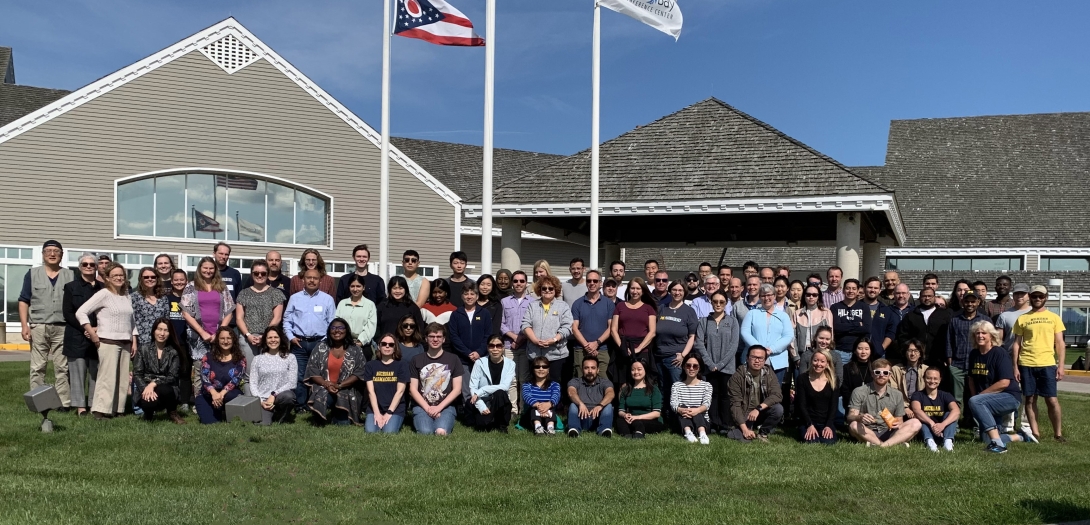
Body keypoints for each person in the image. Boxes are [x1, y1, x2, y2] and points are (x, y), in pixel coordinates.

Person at [20, 239, 73, 410]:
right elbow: (23, 301)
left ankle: (63, 403)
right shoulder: (32, 274)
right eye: (48, 251)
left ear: (61, 255)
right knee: (37, 367)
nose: (52, 254)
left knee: (62, 368)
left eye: (56, 251)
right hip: (39, 325)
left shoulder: (70, 275)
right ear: (43, 254)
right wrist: (24, 326)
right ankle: (38, 402)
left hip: (63, 327)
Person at [75, 262, 133, 420]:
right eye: (115, 275)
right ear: (107, 278)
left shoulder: (126, 295)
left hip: (125, 342)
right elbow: (81, 312)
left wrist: (134, 339)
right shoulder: (103, 294)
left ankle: (118, 409)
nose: (119, 278)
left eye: (121, 275)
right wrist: (92, 333)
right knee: (107, 377)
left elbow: (131, 320)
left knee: (122, 379)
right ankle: (100, 410)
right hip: (108, 341)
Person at [1011, 285, 1066, 443]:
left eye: (1040, 296)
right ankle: (1035, 433)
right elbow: (1016, 344)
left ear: (1046, 297)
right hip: (1026, 363)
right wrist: (1015, 366)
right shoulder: (1022, 318)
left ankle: (1058, 433)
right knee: (1029, 399)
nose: (1037, 299)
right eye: (1034, 296)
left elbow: (1060, 343)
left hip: (1047, 363)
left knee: (1052, 399)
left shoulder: (1054, 317)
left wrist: (1061, 365)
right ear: (1030, 297)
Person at [968, 321, 1031, 453]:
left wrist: (978, 398)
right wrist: (976, 397)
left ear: (991, 336)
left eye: (984, 333)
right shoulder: (974, 354)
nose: (980, 336)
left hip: (1009, 397)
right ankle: (1020, 436)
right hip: (987, 400)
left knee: (975, 401)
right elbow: (971, 378)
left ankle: (998, 445)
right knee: (986, 438)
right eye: (977, 333)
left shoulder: (999, 353)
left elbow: (1004, 382)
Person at [283, 268, 336, 411]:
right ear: (303, 280)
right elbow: (287, 320)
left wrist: (325, 341)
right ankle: (301, 405)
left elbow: (332, 323)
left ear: (320, 280)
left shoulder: (327, 299)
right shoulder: (295, 298)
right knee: (299, 375)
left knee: (320, 375)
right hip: (298, 343)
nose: (312, 280)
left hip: (320, 343)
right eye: (309, 278)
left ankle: (319, 404)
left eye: (315, 278)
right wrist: (291, 337)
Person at [179, 257, 236, 383]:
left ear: (215, 270)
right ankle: (200, 400)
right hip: (198, 336)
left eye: (211, 268)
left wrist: (219, 332)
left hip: (219, 335)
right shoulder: (191, 287)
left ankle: (218, 398)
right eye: (205, 268)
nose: (208, 271)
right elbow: (186, 313)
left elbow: (229, 311)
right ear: (200, 269)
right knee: (200, 370)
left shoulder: (221, 287)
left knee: (219, 368)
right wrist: (202, 332)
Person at [846, 358, 921, 447]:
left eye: (885, 373)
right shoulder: (859, 391)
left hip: (889, 431)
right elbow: (850, 417)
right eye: (878, 373)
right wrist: (860, 417)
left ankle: (881, 445)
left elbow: (899, 421)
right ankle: (889, 444)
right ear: (872, 374)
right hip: (867, 431)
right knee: (853, 425)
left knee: (916, 423)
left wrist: (896, 423)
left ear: (890, 376)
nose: (882, 375)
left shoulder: (897, 394)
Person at [305, 318, 366, 425]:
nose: (337, 331)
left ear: (346, 331)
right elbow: (312, 370)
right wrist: (326, 384)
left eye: (341, 328)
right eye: (333, 328)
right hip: (324, 387)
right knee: (321, 398)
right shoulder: (320, 347)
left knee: (343, 424)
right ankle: (319, 415)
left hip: (347, 388)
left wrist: (340, 385)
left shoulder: (355, 350)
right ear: (329, 331)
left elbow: (359, 373)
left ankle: (338, 412)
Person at [694, 290, 740, 434]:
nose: (718, 304)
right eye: (715, 302)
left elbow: (734, 345)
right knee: (712, 395)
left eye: (721, 302)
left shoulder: (732, 321)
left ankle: (725, 424)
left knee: (725, 396)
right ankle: (713, 423)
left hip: (727, 367)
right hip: (710, 367)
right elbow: (699, 343)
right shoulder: (703, 321)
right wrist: (710, 363)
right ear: (711, 303)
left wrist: (720, 365)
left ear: (726, 304)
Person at [62, 252, 102, 416]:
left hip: (98, 335)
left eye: (92, 264)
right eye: (85, 264)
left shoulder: (103, 288)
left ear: (97, 267)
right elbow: (68, 313)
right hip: (76, 335)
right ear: (80, 267)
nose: (88, 267)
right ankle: (80, 407)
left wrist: (97, 329)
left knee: (95, 371)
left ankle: (93, 404)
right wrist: (86, 329)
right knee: (77, 373)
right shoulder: (71, 287)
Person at [409, 323, 465, 435]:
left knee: (440, 431)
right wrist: (428, 408)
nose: (435, 339)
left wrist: (439, 407)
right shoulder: (416, 360)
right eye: (432, 336)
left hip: (446, 406)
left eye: (439, 337)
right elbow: (412, 390)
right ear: (426, 339)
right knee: (426, 432)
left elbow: (457, 389)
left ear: (444, 339)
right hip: (422, 406)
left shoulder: (453, 359)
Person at [129, 266, 170, 414]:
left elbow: (167, 321)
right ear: (141, 279)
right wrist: (134, 342)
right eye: (146, 277)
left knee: (159, 373)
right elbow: (131, 322)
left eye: (153, 277)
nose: (150, 279)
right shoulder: (134, 297)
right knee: (140, 373)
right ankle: (139, 405)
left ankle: (158, 403)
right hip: (141, 342)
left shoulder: (163, 298)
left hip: (159, 342)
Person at [521, 275, 573, 385]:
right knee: (536, 385)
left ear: (556, 290)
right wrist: (535, 340)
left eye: (551, 288)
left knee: (555, 385)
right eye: (544, 288)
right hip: (535, 354)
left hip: (556, 355)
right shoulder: (532, 305)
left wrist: (554, 339)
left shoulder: (563, 306)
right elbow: (525, 325)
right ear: (539, 290)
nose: (547, 290)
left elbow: (567, 327)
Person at [132, 318, 185, 424]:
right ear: (153, 331)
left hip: (167, 387)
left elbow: (172, 376)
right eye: (159, 329)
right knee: (148, 401)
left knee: (165, 389)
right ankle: (148, 414)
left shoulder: (173, 352)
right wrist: (146, 388)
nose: (162, 333)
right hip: (146, 386)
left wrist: (154, 383)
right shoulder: (143, 349)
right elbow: (137, 374)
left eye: (166, 330)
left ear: (170, 333)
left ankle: (172, 412)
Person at [727, 346, 784, 443]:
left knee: (778, 409)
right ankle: (744, 429)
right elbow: (735, 405)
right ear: (747, 358)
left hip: (760, 411)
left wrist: (758, 408)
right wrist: (745, 430)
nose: (757, 361)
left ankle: (763, 433)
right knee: (743, 438)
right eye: (753, 357)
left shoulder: (769, 373)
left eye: (760, 358)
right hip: (744, 412)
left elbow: (777, 395)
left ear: (764, 360)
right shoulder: (737, 377)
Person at [656, 280, 698, 411]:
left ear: (684, 292)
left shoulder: (689, 311)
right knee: (662, 387)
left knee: (677, 388)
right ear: (670, 291)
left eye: (680, 290)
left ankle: (678, 418)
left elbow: (692, 337)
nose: (677, 293)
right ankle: (664, 417)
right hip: (659, 355)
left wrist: (683, 355)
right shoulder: (662, 308)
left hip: (676, 358)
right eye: (674, 290)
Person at [947, 290, 992, 412]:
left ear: (978, 302)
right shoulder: (955, 320)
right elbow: (949, 342)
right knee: (956, 398)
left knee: (979, 396)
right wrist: (950, 362)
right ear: (963, 302)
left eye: (973, 301)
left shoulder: (985, 320)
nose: (970, 304)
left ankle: (978, 424)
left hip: (979, 364)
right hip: (958, 364)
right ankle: (954, 425)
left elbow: (991, 343)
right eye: (967, 301)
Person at [235, 260, 286, 367]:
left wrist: (265, 335)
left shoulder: (276, 293)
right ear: (251, 274)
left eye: (263, 273)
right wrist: (248, 335)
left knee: (268, 371)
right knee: (249, 373)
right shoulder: (243, 293)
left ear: (267, 274)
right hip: (247, 338)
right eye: (256, 273)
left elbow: (277, 318)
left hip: (269, 339)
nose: (259, 275)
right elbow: (239, 318)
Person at [740, 283, 794, 382]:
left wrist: (772, 349)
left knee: (774, 393)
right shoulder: (751, 314)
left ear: (774, 296)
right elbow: (745, 332)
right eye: (763, 295)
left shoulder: (783, 316)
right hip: (754, 360)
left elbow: (789, 335)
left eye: (769, 295)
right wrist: (759, 350)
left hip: (777, 361)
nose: (766, 298)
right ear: (759, 297)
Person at [194, 328, 246, 424]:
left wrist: (220, 395)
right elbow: (204, 378)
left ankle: (226, 411)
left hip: (229, 394)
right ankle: (216, 411)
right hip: (208, 395)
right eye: (222, 338)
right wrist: (214, 394)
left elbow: (236, 380)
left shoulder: (240, 359)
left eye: (229, 338)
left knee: (234, 396)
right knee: (210, 423)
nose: (225, 341)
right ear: (217, 340)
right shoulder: (208, 357)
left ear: (233, 340)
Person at [571, 269, 615, 379]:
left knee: (603, 381)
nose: (592, 283)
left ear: (600, 283)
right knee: (581, 381)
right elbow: (574, 328)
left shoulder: (608, 304)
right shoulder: (578, 303)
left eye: (595, 281)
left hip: (602, 348)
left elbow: (611, 327)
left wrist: (596, 343)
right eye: (589, 281)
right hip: (581, 348)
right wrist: (587, 345)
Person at [249, 326, 297, 426]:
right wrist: (261, 401)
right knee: (263, 424)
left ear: (281, 339)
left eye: (276, 337)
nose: (273, 340)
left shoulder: (290, 358)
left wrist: (274, 394)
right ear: (265, 340)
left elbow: (292, 383)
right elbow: (253, 383)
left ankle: (281, 417)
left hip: (280, 397)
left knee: (289, 397)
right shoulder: (257, 359)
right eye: (270, 338)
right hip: (263, 400)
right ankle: (269, 414)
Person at [448, 282, 492, 394]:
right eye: (466, 294)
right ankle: (468, 410)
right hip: (463, 359)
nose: (469, 296)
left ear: (477, 296)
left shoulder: (485, 313)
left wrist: (479, 352)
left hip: (481, 358)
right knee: (466, 391)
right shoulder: (456, 314)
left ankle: (481, 410)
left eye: (472, 294)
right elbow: (454, 336)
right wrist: (468, 353)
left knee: (481, 389)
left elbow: (488, 335)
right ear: (462, 296)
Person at [611, 277, 657, 381]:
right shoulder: (620, 306)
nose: (635, 291)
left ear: (643, 291)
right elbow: (613, 330)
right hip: (623, 350)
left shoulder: (649, 308)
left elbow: (652, 332)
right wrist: (622, 347)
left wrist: (639, 348)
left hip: (642, 351)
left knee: (641, 382)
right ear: (628, 289)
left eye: (638, 288)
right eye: (632, 288)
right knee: (622, 383)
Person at [363, 333, 410, 433]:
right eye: (384, 344)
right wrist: (377, 413)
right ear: (379, 346)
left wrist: (389, 412)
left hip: (395, 409)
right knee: (370, 431)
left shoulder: (402, 365)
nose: (387, 346)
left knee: (389, 432)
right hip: (375, 407)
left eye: (391, 344)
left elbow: (400, 391)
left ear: (395, 347)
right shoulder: (370, 365)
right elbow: (371, 392)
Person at [501, 271, 534, 411]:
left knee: (524, 379)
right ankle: (513, 409)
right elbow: (501, 323)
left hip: (527, 345)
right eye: (516, 281)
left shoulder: (533, 302)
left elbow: (534, 323)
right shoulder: (505, 301)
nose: (518, 284)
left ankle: (524, 408)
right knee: (512, 379)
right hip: (509, 346)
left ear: (526, 283)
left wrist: (521, 338)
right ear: (512, 283)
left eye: (521, 281)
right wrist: (514, 337)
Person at [895, 287, 951, 370]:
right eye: (924, 296)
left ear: (934, 297)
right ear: (920, 298)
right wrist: (908, 352)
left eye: (930, 296)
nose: (927, 298)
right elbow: (902, 336)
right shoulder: (911, 315)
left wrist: (946, 356)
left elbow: (950, 336)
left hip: (938, 359)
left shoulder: (945, 314)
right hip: (916, 359)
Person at [468, 335, 515, 432]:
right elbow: (473, 387)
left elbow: (505, 386)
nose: (495, 349)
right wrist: (481, 406)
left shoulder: (511, 364)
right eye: (491, 346)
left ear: (503, 348)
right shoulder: (479, 363)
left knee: (500, 393)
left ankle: (502, 425)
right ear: (487, 347)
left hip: (500, 400)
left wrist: (481, 391)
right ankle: (490, 420)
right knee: (483, 426)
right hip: (484, 399)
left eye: (498, 346)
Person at [566, 355, 615, 437]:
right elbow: (571, 392)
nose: (589, 371)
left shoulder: (605, 382)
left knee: (609, 406)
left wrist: (600, 405)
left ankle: (604, 430)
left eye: (593, 368)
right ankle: (574, 430)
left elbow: (610, 394)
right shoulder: (575, 381)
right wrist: (580, 404)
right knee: (573, 405)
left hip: (598, 418)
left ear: (598, 370)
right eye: (586, 368)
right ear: (582, 370)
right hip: (581, 417)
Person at [795, 349, 838, 444]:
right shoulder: (802, 379)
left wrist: (828, 425)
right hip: (808, 422)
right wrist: (809, 424)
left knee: (828, 442)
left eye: (822, 361)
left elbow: (833, 406)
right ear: (811, 361)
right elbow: (801, 404)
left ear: (827, 364)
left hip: (825, 422)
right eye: (815, 360)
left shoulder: (833, 380)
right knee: (812, 442)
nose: (818, 364)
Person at [911, 367, 959, 451]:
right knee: (921, 415)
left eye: (935, 378)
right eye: (929, 378)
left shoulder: (946, 395)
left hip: (943, 430)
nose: (932, 381)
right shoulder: (917, 395)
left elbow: (957, 411)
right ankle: (930, 442)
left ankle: (948, 442)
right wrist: (931, 423)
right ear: (924, 379)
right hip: (926, 429)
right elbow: (916, 410)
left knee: (950, 414)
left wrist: (943, 425)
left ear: (940, 380)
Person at [671, 354, 713, 444]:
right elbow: (673, 404)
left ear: (699, 368)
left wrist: (696, 410)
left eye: (695, 366)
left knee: (694, 408)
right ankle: (688, 432)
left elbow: (707, 404)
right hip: (683, 419)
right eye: (688, 365)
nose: (691, 368)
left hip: (703, 422)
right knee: (683, 407)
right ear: (683, 367)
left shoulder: (707, 386)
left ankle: (702, 433)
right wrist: (681, 410)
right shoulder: (676, 386)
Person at [616, 360, 665, 438]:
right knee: (620, 420)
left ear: (645, 370)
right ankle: (627, 435)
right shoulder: (626, 389)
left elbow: (656, 413)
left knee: (638, 422)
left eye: (639, 369)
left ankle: (639, 434)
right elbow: (620, 410)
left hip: (650, 420)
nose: (636, 372)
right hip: (632, 419)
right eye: (633, 369)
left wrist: (637, 417)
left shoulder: (653, 389)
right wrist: (625, 415)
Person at [376, 276, 425, 345]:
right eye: (394, 288)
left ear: (405, 289)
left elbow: (420, 328)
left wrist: (413, 344)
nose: (397, 291)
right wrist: (379, 341)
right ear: (390, 289)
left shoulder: (412, 307)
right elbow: (376, 327)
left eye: (400, 288)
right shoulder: (382, 306)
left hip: (407, 346)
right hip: (386, 346)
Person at [830, 279, 869, 365]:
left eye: (854, 288)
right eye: (848, 288)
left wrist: (845, 326)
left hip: (859, 352)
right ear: (843, 290)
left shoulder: (864, 307)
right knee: (840, 377)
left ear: (858, 291)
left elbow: (866, 328)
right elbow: (836, 328)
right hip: (840, 351)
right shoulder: (835, 307)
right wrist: (857, 324)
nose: (851, 291)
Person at [335, 274, 378, 348]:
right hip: (343, 343)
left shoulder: (370, 305)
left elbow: (371, 326)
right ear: (349, 287)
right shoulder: (342, 303)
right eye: (352, 286)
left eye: (358, 286)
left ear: (363, 287)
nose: (355, 289)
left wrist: (361, 341)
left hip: (362, 345)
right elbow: (337, 322)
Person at [521, 356, 561, 434]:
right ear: (533, 369)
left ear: (548, 370)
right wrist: (538, 406)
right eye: (537, 367)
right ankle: (538, 428)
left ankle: (550, 428)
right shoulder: (527, 385)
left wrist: (549, 404)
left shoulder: (555, 385)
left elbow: (556, 396)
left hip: (549, 412)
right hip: (531, 416)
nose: (541, 369)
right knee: (533, 409)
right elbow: (526, 396)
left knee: (551, 409)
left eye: (544, 367)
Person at [890, 339, 928, 419]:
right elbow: (893, 391)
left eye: (916, 351)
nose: (913, 354)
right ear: (905, 353)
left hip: (920, 406)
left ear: (920, 353)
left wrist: (917, 408)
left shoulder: (926, 370)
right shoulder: (895, 369)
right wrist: (904, 407)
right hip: (900, 406)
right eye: (910, 350)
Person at [861, 277, 898, 357]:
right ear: (864, 289)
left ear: (880, 291)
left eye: (876, 288)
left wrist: (881, 348)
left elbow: (890, 332)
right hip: (859, 352)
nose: (872, 290)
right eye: (870, 287)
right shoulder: (856, 307)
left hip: (878, 354)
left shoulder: (886, 310)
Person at [795, 284, 833, 359]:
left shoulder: (826, 312)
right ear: (804, 296)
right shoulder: (797, 313)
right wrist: (796, 357)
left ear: (818, 297)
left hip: (821, 354)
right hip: (802, 354)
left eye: (814, 295)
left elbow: (831, 336)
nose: (811, 297)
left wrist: (827, 354)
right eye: (808, 294)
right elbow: (792, 337)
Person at [840, 339, 875, 413]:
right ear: (855, 351)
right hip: (852, 407)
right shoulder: (846, 368)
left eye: (866, 349)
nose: (863, 352)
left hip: (873, 407)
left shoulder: (875, 368)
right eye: (860, 349)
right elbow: (845, 390)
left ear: (871, 351)